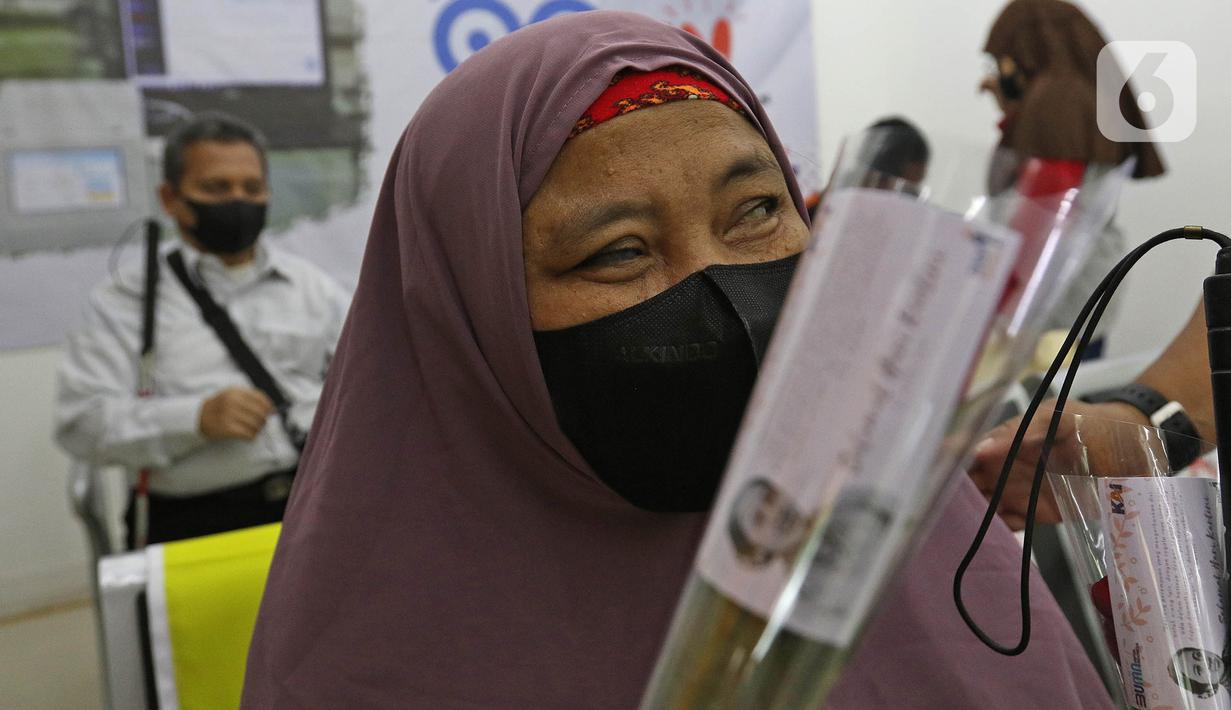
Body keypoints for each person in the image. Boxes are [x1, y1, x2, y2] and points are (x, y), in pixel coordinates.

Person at [243, 12, 1112, 708]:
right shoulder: (363, 659)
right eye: (618, 251)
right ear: (472, 318)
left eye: (756, 210)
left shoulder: (927, 551)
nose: (722, 290)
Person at [55, 112, 350, 548]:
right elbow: (82, 423)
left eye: (252, 188)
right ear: (171, 198)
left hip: (315, 501)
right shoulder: (127, 302)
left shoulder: (312, 287)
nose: (238, 200)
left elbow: (371, 381)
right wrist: (194, 419)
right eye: (216, 188)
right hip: (198, 520)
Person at [979, 0, 1166, 357]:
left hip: (1051, 304)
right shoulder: (1081, 93)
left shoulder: (1057, 100)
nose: (1000, 71)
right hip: (1078, 292)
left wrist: (1003, 299)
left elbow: (1043, 211)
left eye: (1002, 59)